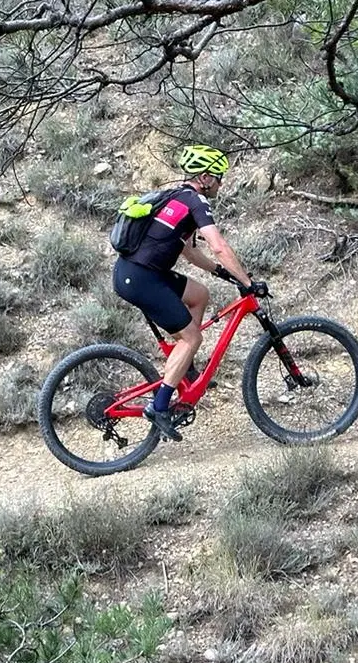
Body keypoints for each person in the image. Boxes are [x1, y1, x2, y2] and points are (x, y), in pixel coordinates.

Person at [112, 144, 266, 442]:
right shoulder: (196, 202)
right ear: (206, 177)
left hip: (136, 273)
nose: (221, 183)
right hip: (142, 278)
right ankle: (159, 407)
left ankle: (185, 369)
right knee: (192, 337)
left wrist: (220, 273)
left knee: (199, 295)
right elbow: (218, 246)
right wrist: (246, 282)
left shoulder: (175, 196)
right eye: (219, 177)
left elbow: (189, 251)